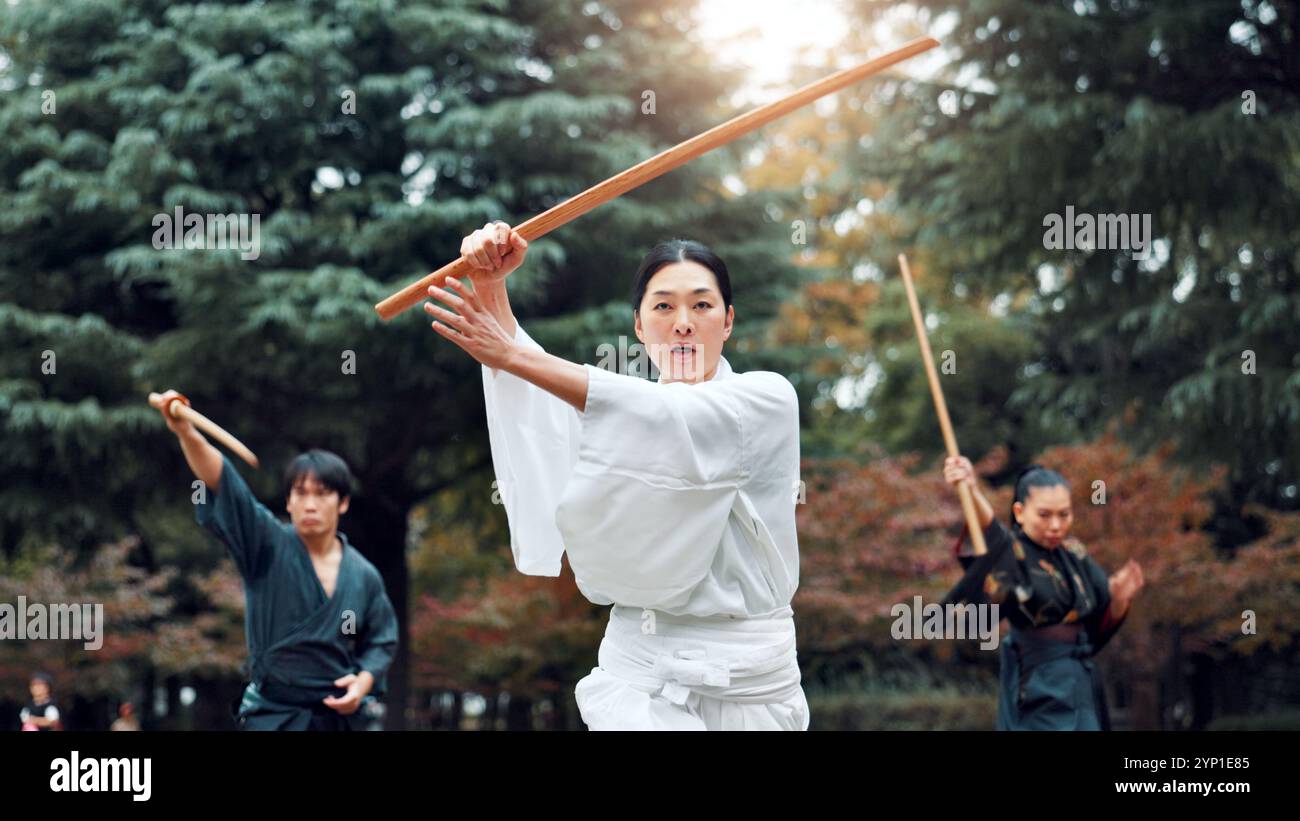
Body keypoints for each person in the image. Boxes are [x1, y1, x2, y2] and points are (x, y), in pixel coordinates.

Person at [425, 221, 808, 730]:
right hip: (638, 672)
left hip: (749, 684)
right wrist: (491, 283)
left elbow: (659, 416)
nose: (684, 323)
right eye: (664, 306)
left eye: (702, 304)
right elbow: (549, 406)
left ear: (729, 320)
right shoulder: (621, 414)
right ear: (639, 325)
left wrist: (512, 355)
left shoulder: (766, 399)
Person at [150, 392, 399, 730]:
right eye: (301, 493)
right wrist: (187, 433)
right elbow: (223, 482)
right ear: (289, 502)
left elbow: (381, 639)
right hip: (273, 717)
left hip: (337, 719)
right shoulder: (266, 544)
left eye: (322, 494)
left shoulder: (363, 574)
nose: (310, 504)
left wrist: (364, 682)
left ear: (342, 504)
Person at [941, 455, 1144, 730]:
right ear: (1020, 512)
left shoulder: (1075, 554)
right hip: (1038, 681)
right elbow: (991, 529)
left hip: (1081, 682)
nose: (1056, 525)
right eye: (1044, 515)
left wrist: (1120, 599)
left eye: (1064, 514)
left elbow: (1098, 625)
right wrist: (969, 487)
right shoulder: (1012, 552)